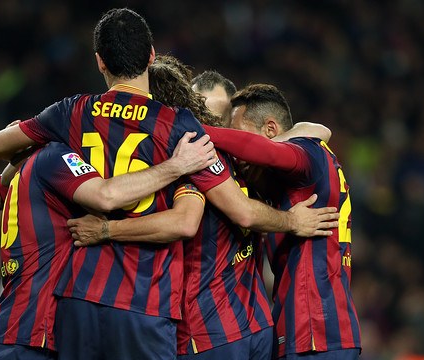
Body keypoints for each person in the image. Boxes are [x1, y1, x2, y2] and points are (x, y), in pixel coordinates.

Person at [0, 9, 339, 360]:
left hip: (81, 296)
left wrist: (22, 148)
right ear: (150, 56)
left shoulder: (71, 114)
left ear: (100, 62)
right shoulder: (180, 132)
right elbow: (234, 211)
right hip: (150, 305)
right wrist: (292, 220)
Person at [68, 56, 338, 360]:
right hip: (249, 329)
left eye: (220, 117)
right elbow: (316, 132)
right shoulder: (224, 163)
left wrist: (106, 229)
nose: (207, 120)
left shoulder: (198, 161)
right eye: (202, 110)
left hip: (211, 334)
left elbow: (192, 220)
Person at [0, 131, 216, 359]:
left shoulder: (27, 181)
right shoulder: (54, 159)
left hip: (8, 328)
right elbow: (106, 196)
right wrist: (176, 165)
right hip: (30, 332)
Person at [204, 84, 362, 359]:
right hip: (310, 327)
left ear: (270, 130)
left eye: (237, 135)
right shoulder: (288, 180)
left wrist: (196, 132)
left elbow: (271, 152)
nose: (236, 155)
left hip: (315, 330)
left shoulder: (306, 153)